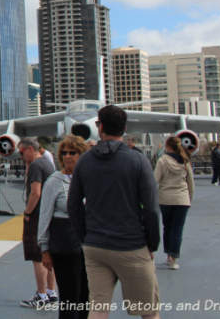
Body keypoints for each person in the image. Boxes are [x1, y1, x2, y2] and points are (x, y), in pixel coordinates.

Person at [67, 105, 161, 319]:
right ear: (124, 128)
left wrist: (85, 237)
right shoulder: (138, 161)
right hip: (131, 245)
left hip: (95, 246)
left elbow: (73, 204)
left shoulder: (85, 161)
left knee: (98, 307)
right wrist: (152, 243)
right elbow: (151, 208)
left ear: (100, 127)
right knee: (148, 310)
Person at [38, 135, 89, 319]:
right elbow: (44, 215)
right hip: (65, 245)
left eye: (72, 153)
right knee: (69, 298)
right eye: (64, 153)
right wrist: (44, 248)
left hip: (88, 246)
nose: (68, 156)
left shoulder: (90, 179)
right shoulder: (54, 181)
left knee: (86, 296)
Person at [19, 138, 58, 308]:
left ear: (29, 149)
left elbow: (35, 193)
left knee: (37, 256)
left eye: (21, 153)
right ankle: (51, 292)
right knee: (48, 255)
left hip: (37, 216)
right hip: (49, 215)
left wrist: (27, 213)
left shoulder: (36, 165)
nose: (20, 157)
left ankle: (41, 294)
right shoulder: (47, 163)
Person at [154, 136, 194, 270]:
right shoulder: (185, 161)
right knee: (178, 229)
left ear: (167, 146)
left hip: (165, 199)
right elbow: (190, 182)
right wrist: (189, 198)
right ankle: (174, 258)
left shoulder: (162, 161)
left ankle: (168, 255)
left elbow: (155, 180)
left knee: (167, 227)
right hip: (182, 199)